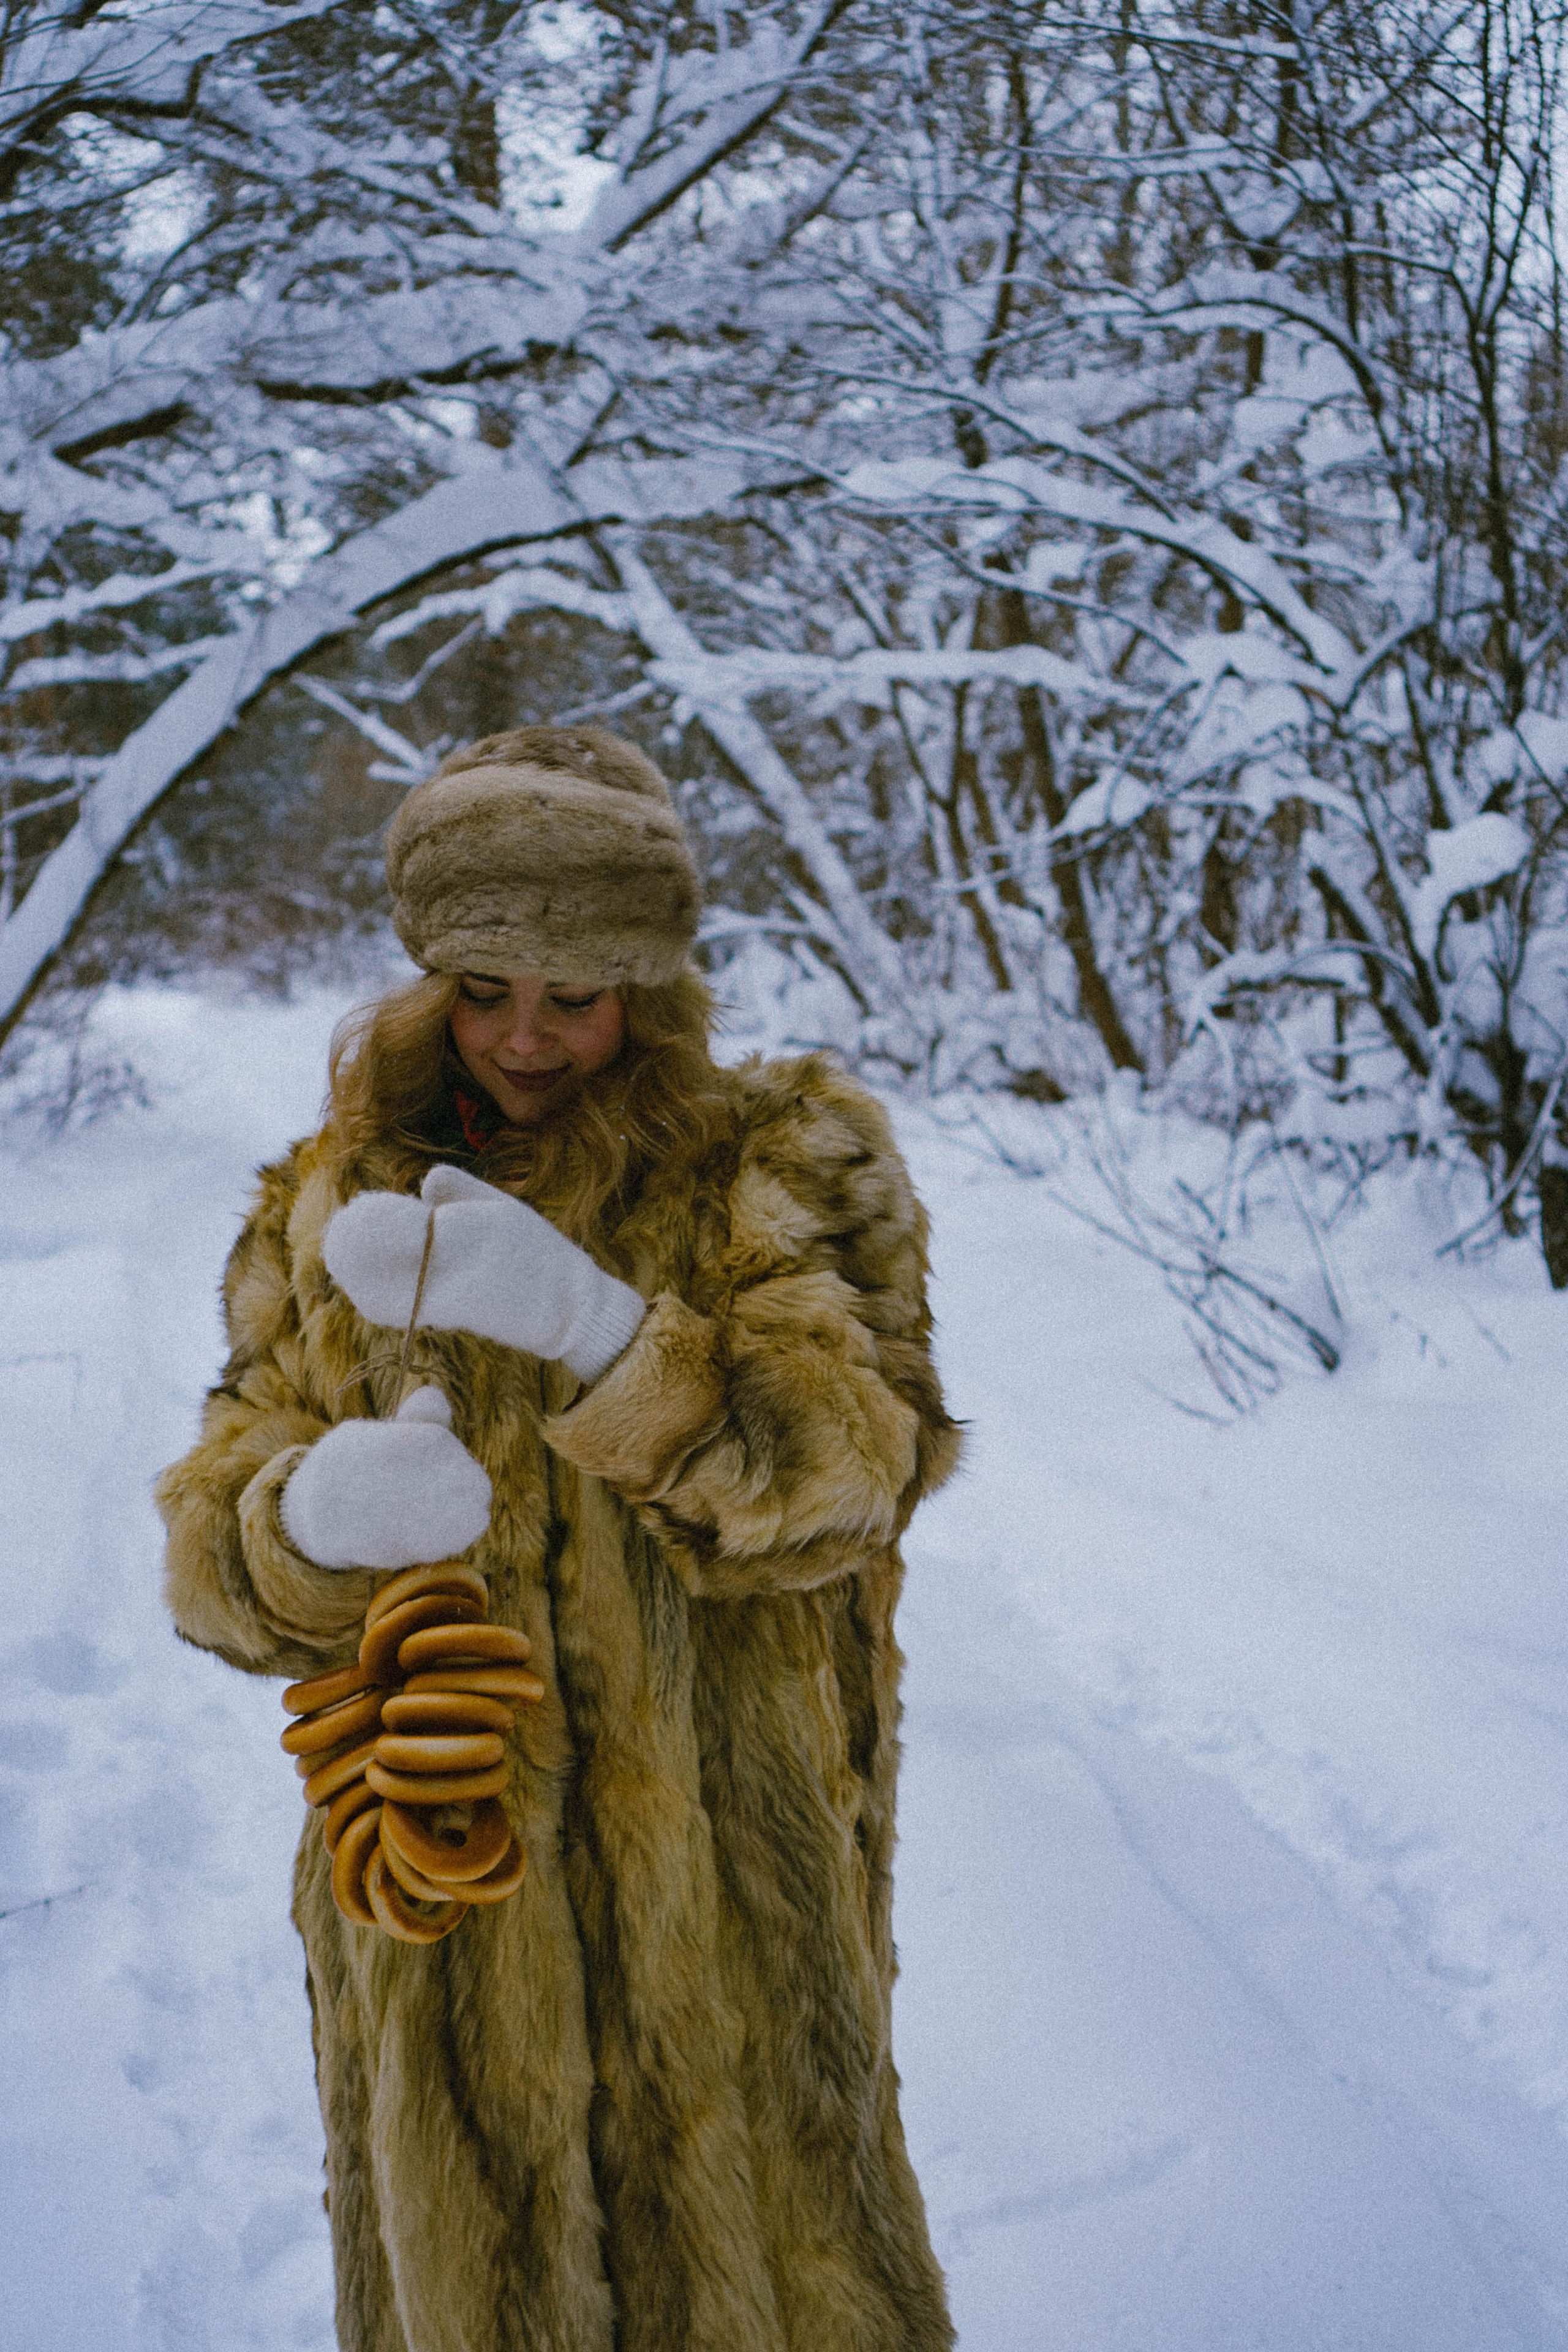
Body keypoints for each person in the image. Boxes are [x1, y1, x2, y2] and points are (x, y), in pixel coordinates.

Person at [156, 725, 962, 2352]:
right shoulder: (326, 1205)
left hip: (734, 1915)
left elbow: (850, 1475)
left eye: (577, 992)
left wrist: (601, 1335)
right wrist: (307, 1517)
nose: (526, 1036)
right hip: (445, 1913)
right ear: (423, 975)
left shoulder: (786, 1162)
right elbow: (212, 1549)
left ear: (648, 986)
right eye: (482, 986)